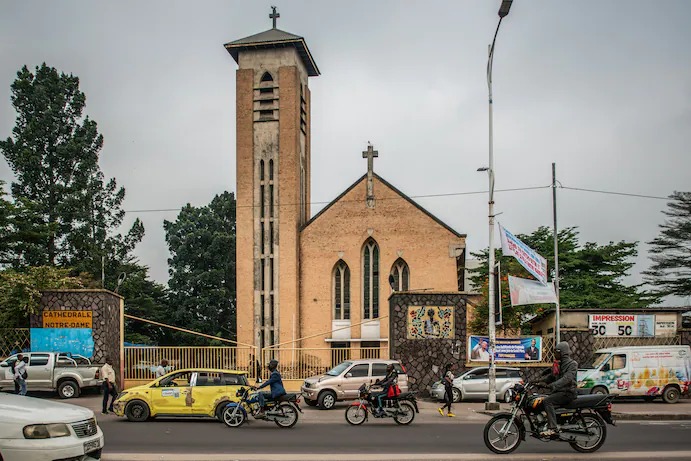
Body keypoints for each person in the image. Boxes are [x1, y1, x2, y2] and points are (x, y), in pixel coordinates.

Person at [539, 341, 578, 437]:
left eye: (556, 352)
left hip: (568, 392)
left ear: (562, 353)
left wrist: (553, 385)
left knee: (547, 401)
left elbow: (567, 379)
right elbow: (552, 377)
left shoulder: (572, 364)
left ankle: (553, 428)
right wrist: (538, 382)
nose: (555, 354)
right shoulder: (558, 365)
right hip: (560, 392)